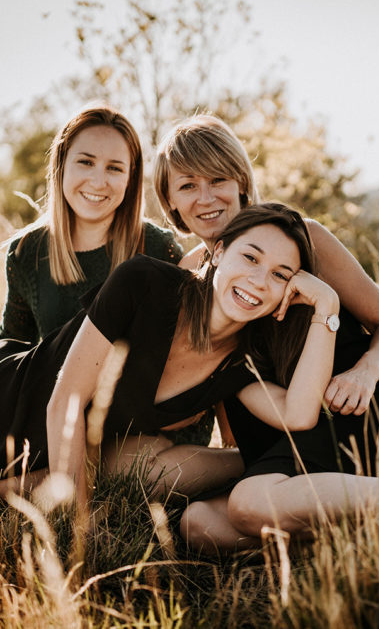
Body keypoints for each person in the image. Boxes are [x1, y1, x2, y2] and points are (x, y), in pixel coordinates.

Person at [0, 205, 321, 500]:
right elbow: (65, 400)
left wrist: (326, 309)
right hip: (8, 396)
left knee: (138, 455)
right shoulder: (144, 283)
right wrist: (83, 523)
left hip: (47, 457)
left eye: (280, 274)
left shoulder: (243, 360)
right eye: (251, 258)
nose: (259, 280)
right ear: (219, 252)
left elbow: (298, 414)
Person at [152, 115, 379, 459]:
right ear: (169, 199)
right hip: (273, 435)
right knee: (203, 515)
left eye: (218, 179)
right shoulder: (187, 274)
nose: (205, 198)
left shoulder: (304, 239)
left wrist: (365, 373)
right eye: (188, 186)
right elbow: (220, 377)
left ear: (242, 184)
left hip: (355, 412)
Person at [0, 104, 183, 343]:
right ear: (61, 165)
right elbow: (10, 352)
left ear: (130, 178)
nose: (98, 182)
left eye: (114, 168)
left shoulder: (158, 247)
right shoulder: (25, 251)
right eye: (86, 162)